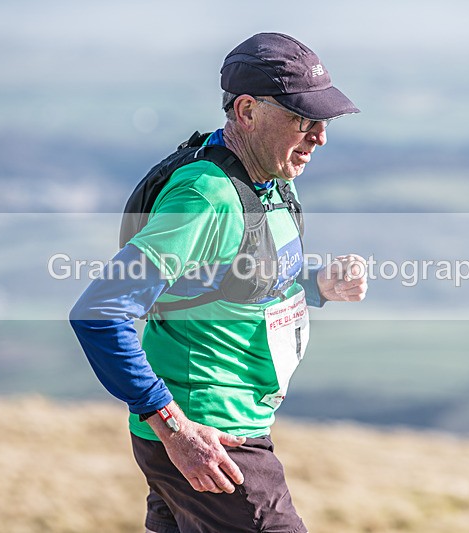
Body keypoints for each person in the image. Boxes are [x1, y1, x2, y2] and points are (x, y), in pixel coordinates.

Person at [70, 32, 368, 533]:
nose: (320, 137)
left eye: (324, 121)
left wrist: (318, 286)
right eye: (304, 119)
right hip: (213, 439)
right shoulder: (205, 198)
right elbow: (99, 312)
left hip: (222, 433)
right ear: (247, 111)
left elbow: (236, 277)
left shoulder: (270, 180)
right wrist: (175, 429)